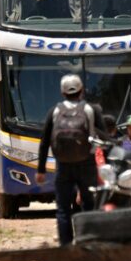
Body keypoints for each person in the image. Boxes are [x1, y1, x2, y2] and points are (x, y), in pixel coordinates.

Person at [35, 74, 105, 245]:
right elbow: (104, 136)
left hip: (63, 166)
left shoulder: (55, 111)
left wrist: (41, 170)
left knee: (63, 209)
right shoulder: (91, 110)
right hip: (87, 164)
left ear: (62, 92)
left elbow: (44, 141)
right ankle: (87, 241)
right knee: (89, 205)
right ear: (81, 90)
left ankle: (66, 246)